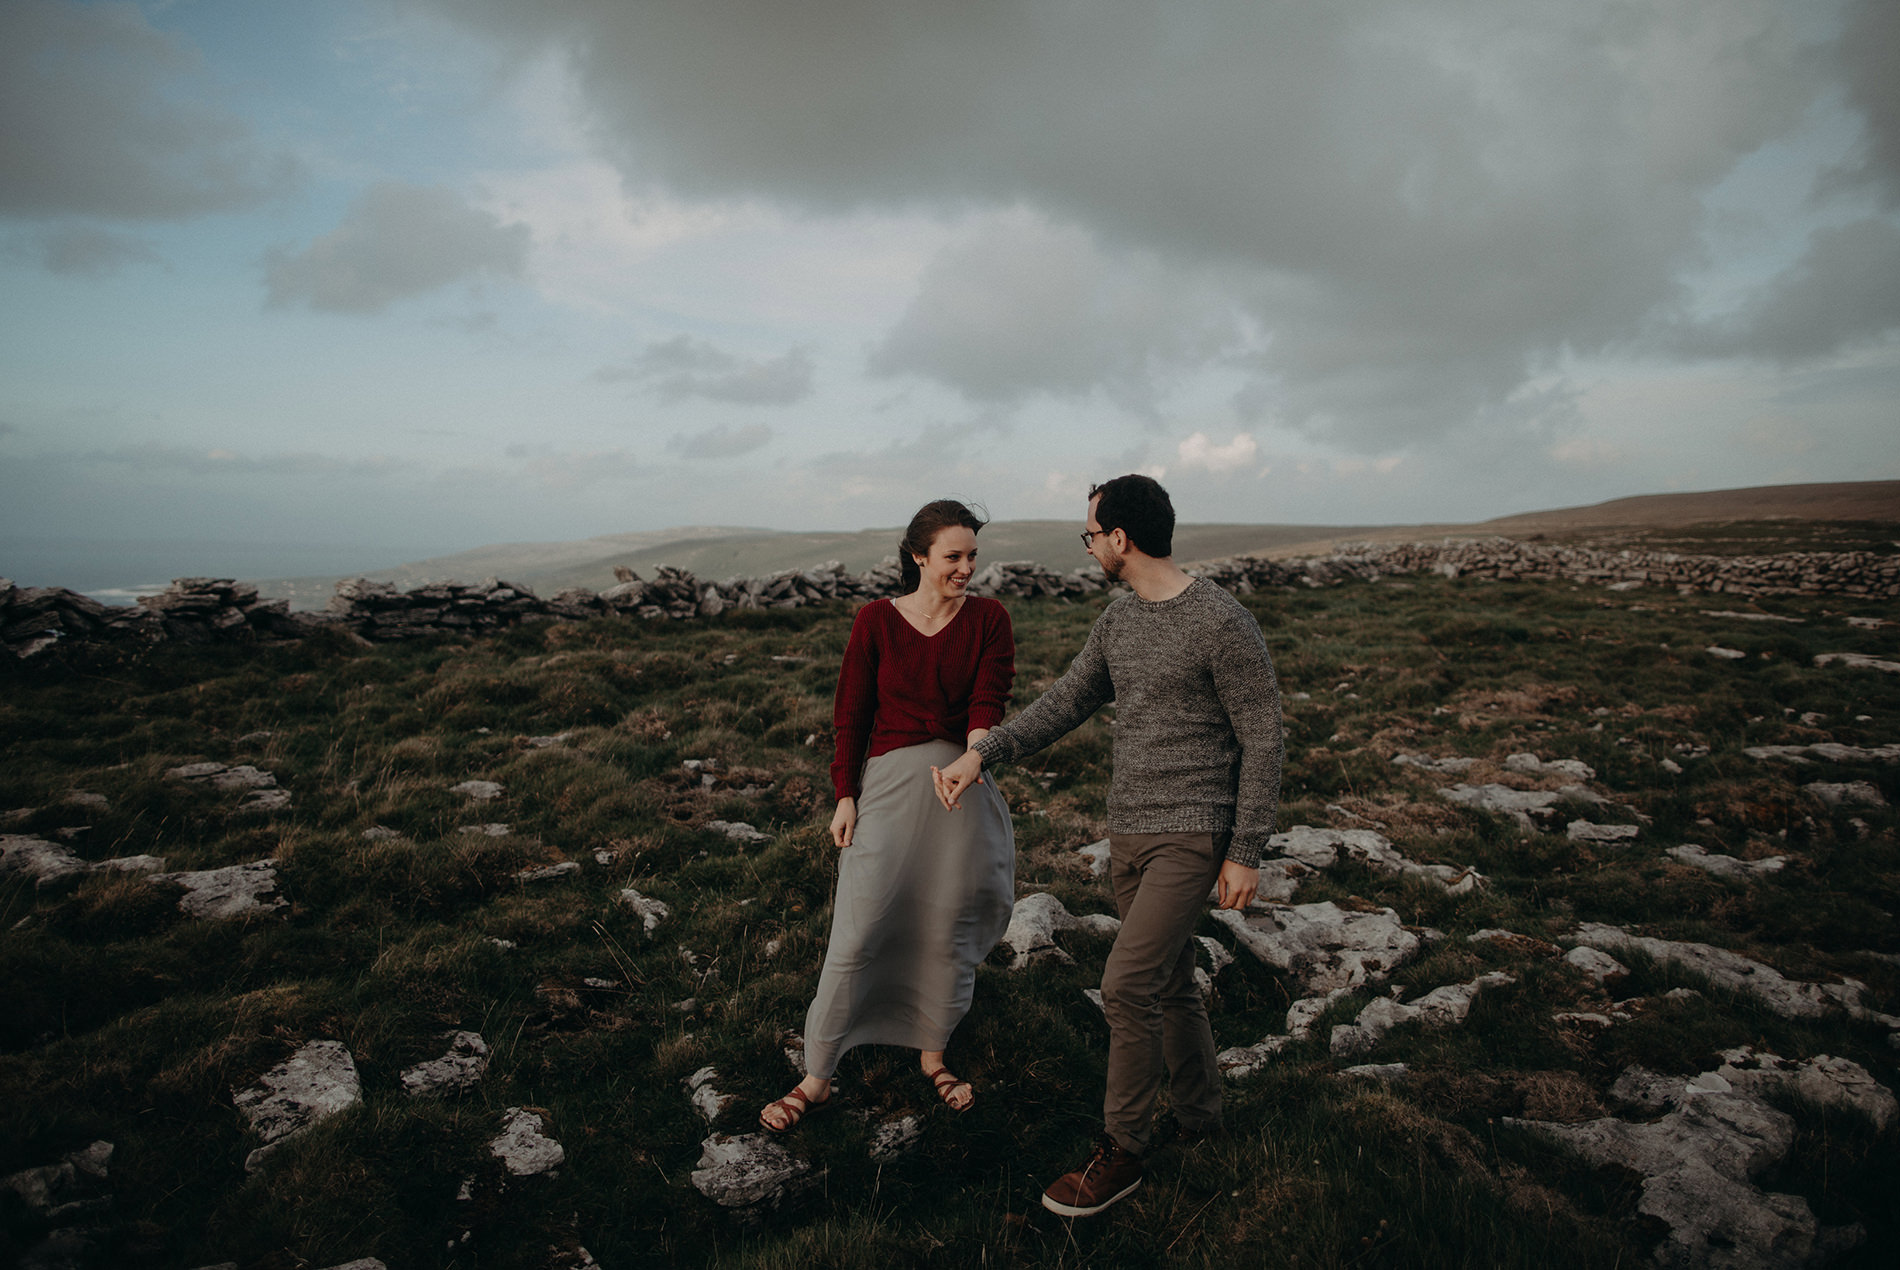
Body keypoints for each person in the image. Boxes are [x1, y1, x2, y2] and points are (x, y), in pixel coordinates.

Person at [934, 474, 1282, 1217]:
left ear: (1120, 538)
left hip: (1194, 833)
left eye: (1090, 535)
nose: (1089, 547)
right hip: (1130, 831)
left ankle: (1122, 1149)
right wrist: (983, 753)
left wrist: (1246, 847)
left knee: (1126, 985)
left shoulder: (1222, 621)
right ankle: (1201, 1120)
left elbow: (1263, 736)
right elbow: (1064, 703)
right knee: (1170, 981)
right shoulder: (1118, 623)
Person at [760, 499, 1017, 1132]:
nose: (966, 568)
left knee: (947, 920)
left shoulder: (989, 619)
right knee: (861, 925)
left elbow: (989, 698)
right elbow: (851, 714)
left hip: (960, 785)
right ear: (919, 557)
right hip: (889, 788)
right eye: (953, 556)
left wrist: (972, 762)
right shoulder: (875, 620)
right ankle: (817, 1076)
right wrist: (845, 795)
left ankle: (934, 1056)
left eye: (972, 556)